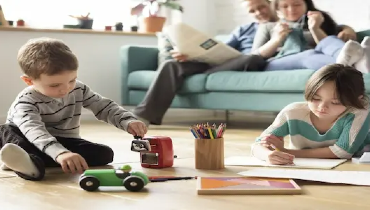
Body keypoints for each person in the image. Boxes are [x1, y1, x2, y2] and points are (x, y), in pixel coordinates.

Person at [132, 0, 358, 126]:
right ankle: (145, 114)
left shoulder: (286, 25)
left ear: (271, 6)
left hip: (247, 61)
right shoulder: (244, 29)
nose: (258, 13)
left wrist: (345, 30)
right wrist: (191, 54)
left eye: (261, 7)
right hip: (220, 61)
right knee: (172, 64)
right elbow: (220, 49)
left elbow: (329, 34)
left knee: (250, 57)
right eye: (253, 11)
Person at [0, 37, 147, 181]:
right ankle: (27, 164)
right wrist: (60, 154)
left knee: (105, 154)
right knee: (6, 131)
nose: (66, 89)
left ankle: (30, 160)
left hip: (65, 140)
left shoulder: (78, 89)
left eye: (72, 80)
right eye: (54, 85)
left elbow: (102, 106)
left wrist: (127, 120)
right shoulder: (26, 102)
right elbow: (34, 131)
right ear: (28, 81)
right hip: (30, 139)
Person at [251, 64, 370, 165]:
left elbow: (343, 152)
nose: (322, 107)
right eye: (316, 98)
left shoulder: (358, 111)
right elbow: (258, 144)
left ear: (357, 100)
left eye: (335, 102)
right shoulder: (292, 112)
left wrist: (287, 152)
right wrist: (268, 154)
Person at [252, 0, 370, 73]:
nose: (291, 9)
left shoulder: (319, 19)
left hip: (316, 56)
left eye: (297, 4)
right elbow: (255, 56)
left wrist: (315, 28)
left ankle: (360, 60)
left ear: (306, 4)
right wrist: (276, 40)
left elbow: (327, 44)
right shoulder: (268, 26)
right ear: (277, 9)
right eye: (285, 6)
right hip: (276, 62)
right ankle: (355, 64)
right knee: (308, 55)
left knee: (329, 41)